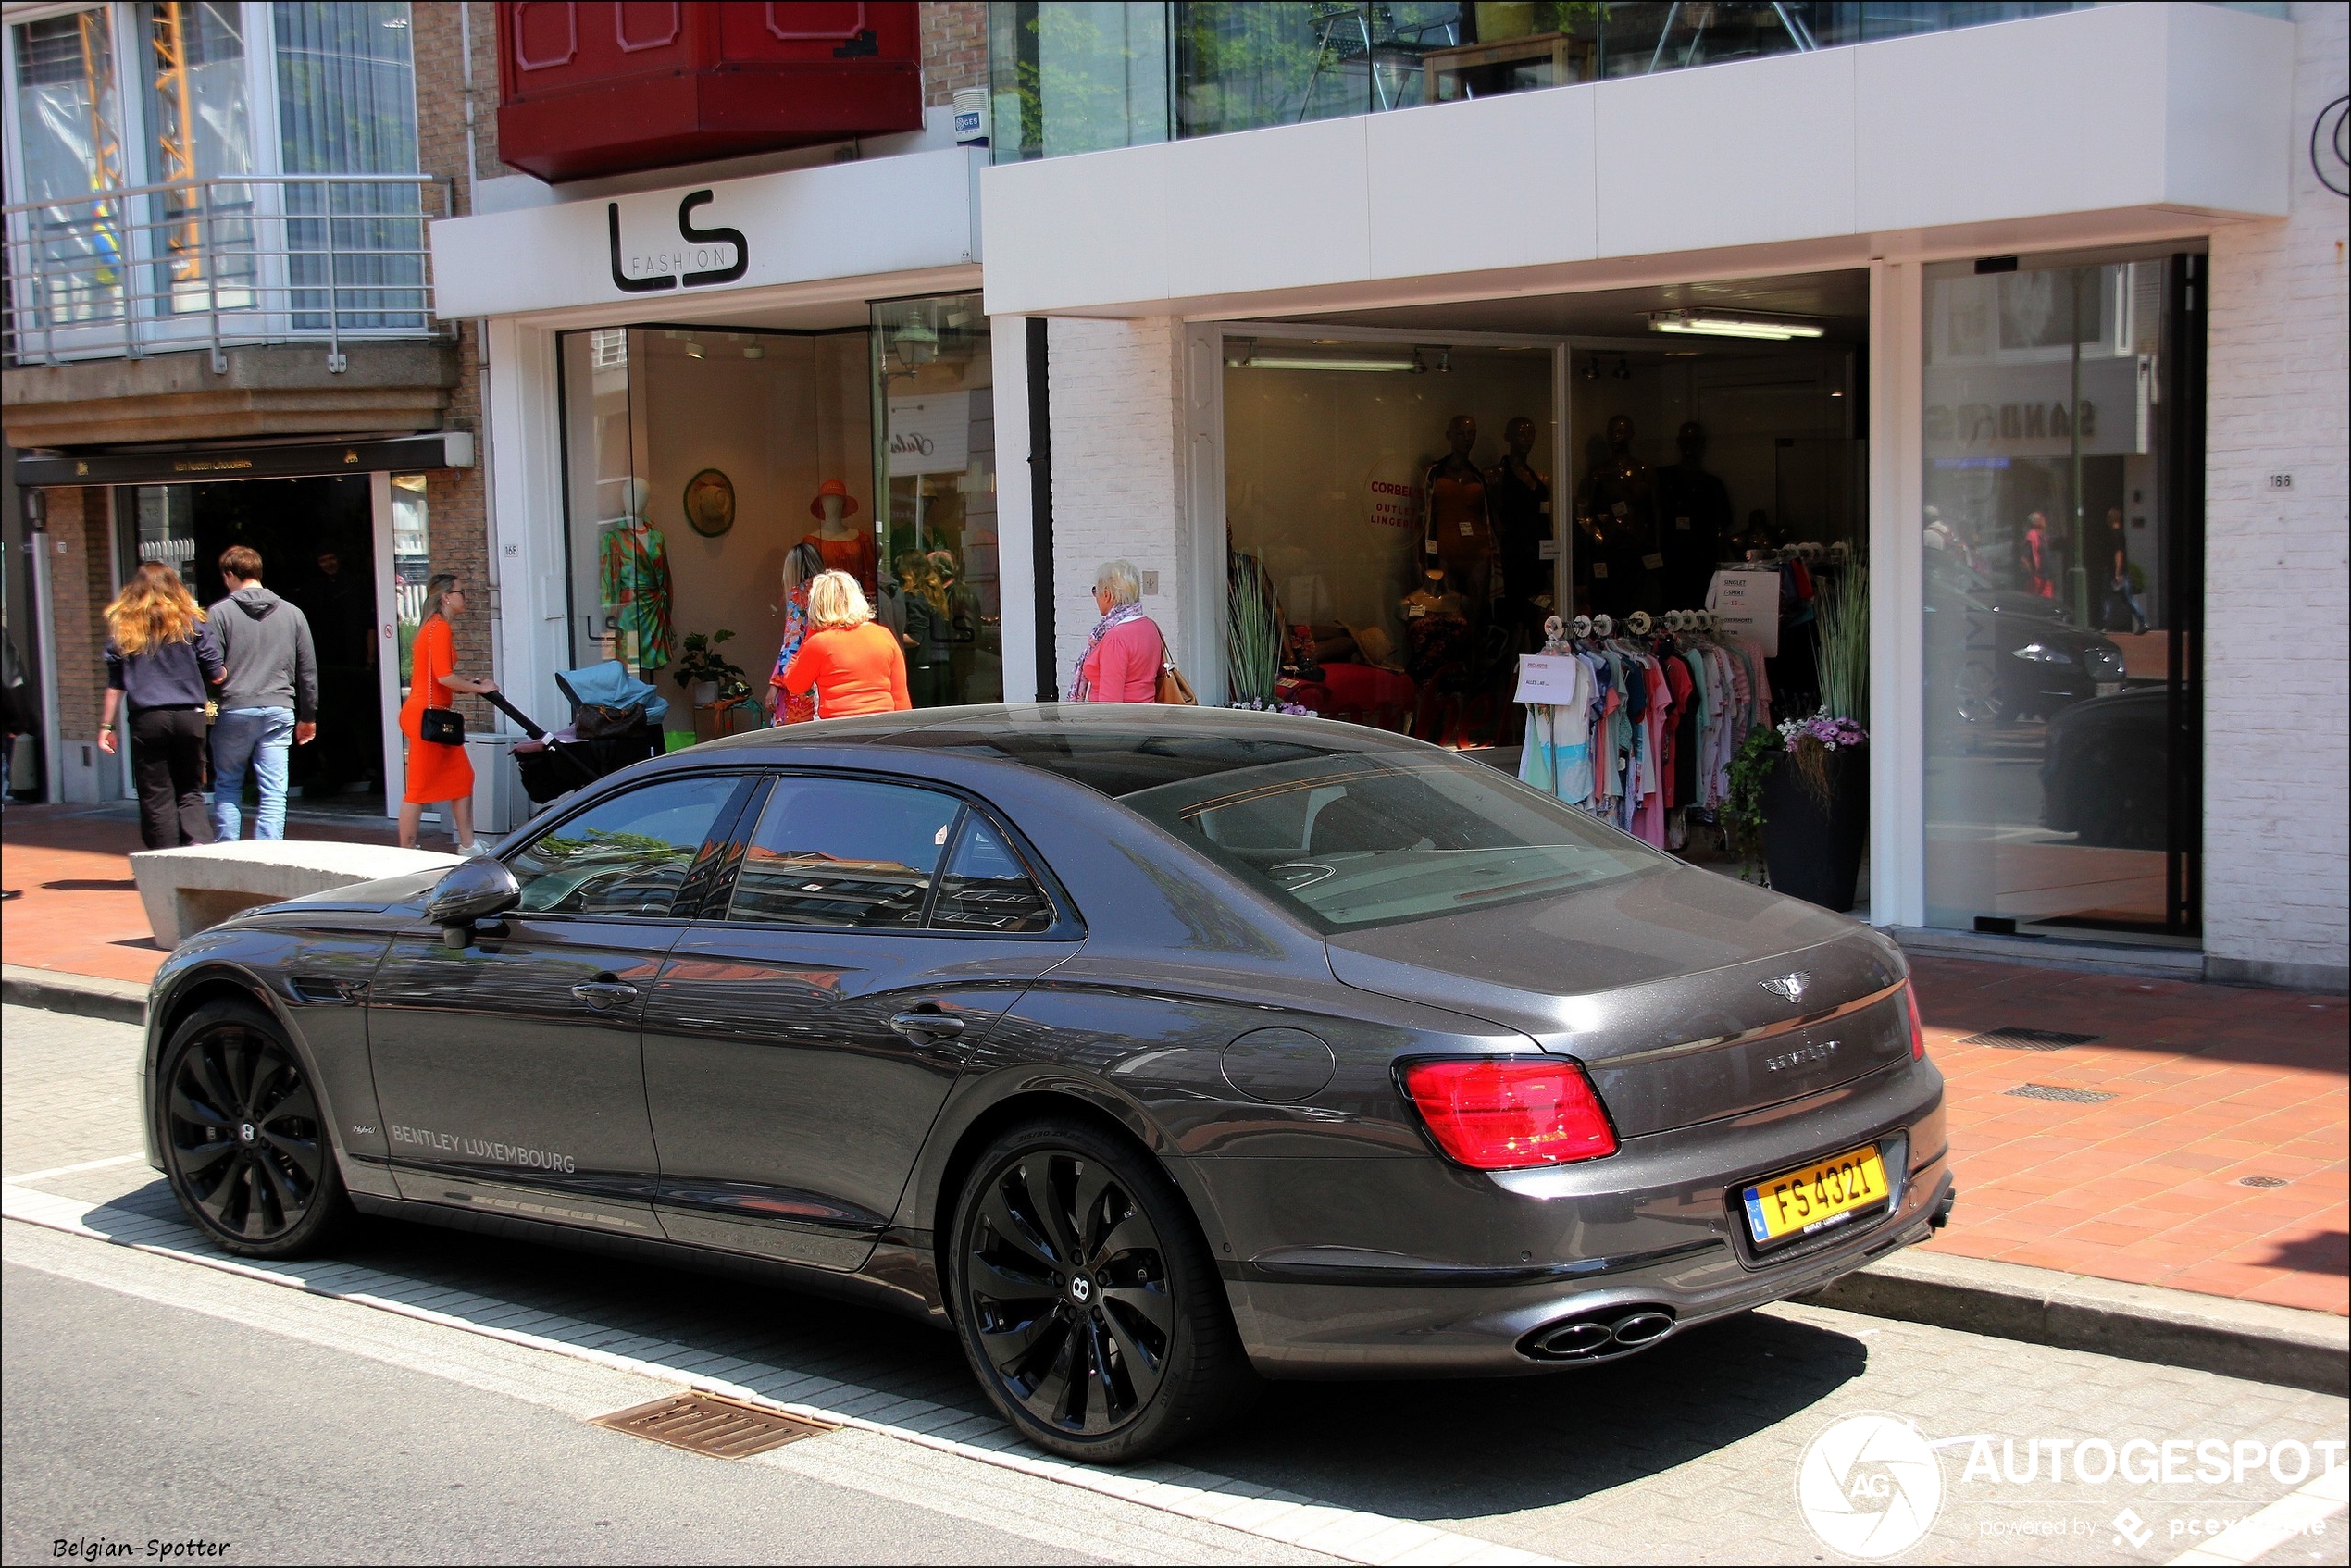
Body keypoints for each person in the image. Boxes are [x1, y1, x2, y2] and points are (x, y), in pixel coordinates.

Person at [100, 561, 223, 849]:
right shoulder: (191, 623)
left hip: (148, 718)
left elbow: (115, 685)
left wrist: (107, 726)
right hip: (190, 715)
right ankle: (198, 849)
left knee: (156, 792)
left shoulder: (125, 628)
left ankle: (164, 858)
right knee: (190, 788)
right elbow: (216, 674)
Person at [208, 544, 317, 841]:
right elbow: (307, 673)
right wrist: (308, 716)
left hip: (234, 708)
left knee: (228, 785)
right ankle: (267, 857)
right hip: (279, 709)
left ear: (230, 575)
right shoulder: (293, 614)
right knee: (273, 792)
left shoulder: (218, 614)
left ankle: (227, 855)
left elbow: (209, 667)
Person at [397, 574, 498, 852]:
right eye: (460, 591)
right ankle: (408, 850)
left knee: (461, 777)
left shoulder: (433, 628)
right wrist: (479, 688)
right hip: (426, 717)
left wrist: (469, 686)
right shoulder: (438, 628)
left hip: (431, 714)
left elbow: (440, 678)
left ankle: (467, 844)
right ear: (446, 598)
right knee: (418, 788)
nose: (464, 596)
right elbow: (444, 677)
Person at [779, 570, 910, 718]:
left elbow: (794, 685)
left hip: (838, 728)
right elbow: (900, 697)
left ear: (817, 605)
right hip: (881, 726)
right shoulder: (884, 635)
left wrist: (810, 633)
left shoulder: (819, 642)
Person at [1069, 559, 1163, 703]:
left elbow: (1110, 703)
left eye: (1096, 591)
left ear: (1107, 594)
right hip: (1147, 717)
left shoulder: (1115, 637)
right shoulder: (1150, 626)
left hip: (1122, 722)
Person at [766, 541, 823, 725]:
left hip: (803, 679)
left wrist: (775, 684)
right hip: (827, 675)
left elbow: (792, 642)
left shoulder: (798, 595)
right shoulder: (829, 591)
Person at [894, 551, 950, 708]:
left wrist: (890, 638)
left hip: (921, 670)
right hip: (939, 667)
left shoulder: (915, 596)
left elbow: (915, 638)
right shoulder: (934, 593)